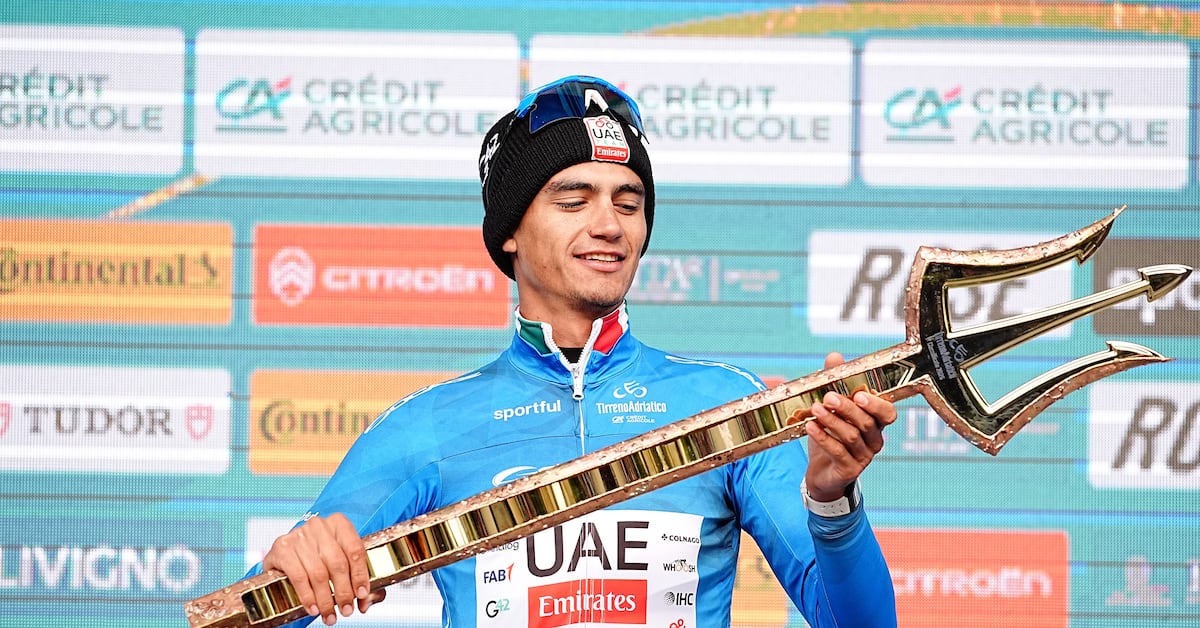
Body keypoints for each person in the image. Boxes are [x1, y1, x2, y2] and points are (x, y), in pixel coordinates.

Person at [252, 75, 898, 628]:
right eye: (573, 200)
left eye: (629, 203)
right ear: (510, 230)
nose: (609, 225)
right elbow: (249, 610)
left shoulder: (728, 404)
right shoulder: (428, 426)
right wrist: (287, 572)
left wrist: (832, 500)